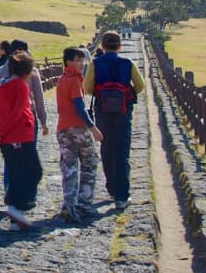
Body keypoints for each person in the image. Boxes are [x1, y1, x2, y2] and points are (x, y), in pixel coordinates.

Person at [84, 31, 146, 210]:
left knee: (107, 149)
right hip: (123, 111)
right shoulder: (128, 63)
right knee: (122, 152)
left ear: (102, 46)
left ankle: (111, 188)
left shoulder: (95, 63)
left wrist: (100, 92)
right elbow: (140, 85)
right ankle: (121, 196)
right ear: (120, 46)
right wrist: (127, 92)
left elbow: (87, 88)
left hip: (102, 111)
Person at [55, 47, 104, 221]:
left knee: (69, 167)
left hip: (62, 128)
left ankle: (69, 205)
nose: (82, 64)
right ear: (69, 62)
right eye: (78, 60)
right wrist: (93, 128)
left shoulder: (61, 80)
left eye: (83, 60)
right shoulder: (75, 80)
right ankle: (84, 203)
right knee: (90, 163)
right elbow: (79, 107)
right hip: (78, 128)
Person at [0, 51, 40, 227]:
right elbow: (16, 113)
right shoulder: (20, 86)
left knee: (16, 173)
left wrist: (0, 132)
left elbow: (3, 112)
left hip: (9, 138)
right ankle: (19, 204)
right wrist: (1, 133)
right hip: (19, 136)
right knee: (34, 171)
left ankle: (16, 216)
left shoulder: (3, 85)